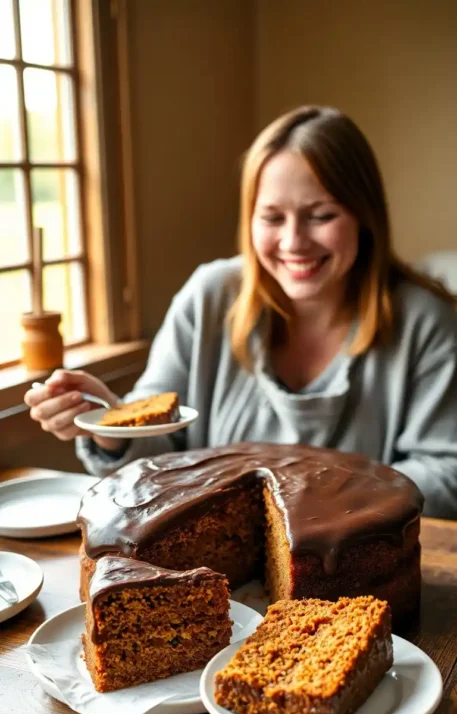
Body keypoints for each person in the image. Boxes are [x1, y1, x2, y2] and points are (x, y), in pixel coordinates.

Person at [24, 106, 457, 518]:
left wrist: (304, 507)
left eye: (320, 215)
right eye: (271, 218)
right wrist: (109, 422)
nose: (294, 242)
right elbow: (158, 459)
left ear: (365, 216)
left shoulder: (426, 321)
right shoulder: (209, 297)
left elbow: (446, 477)